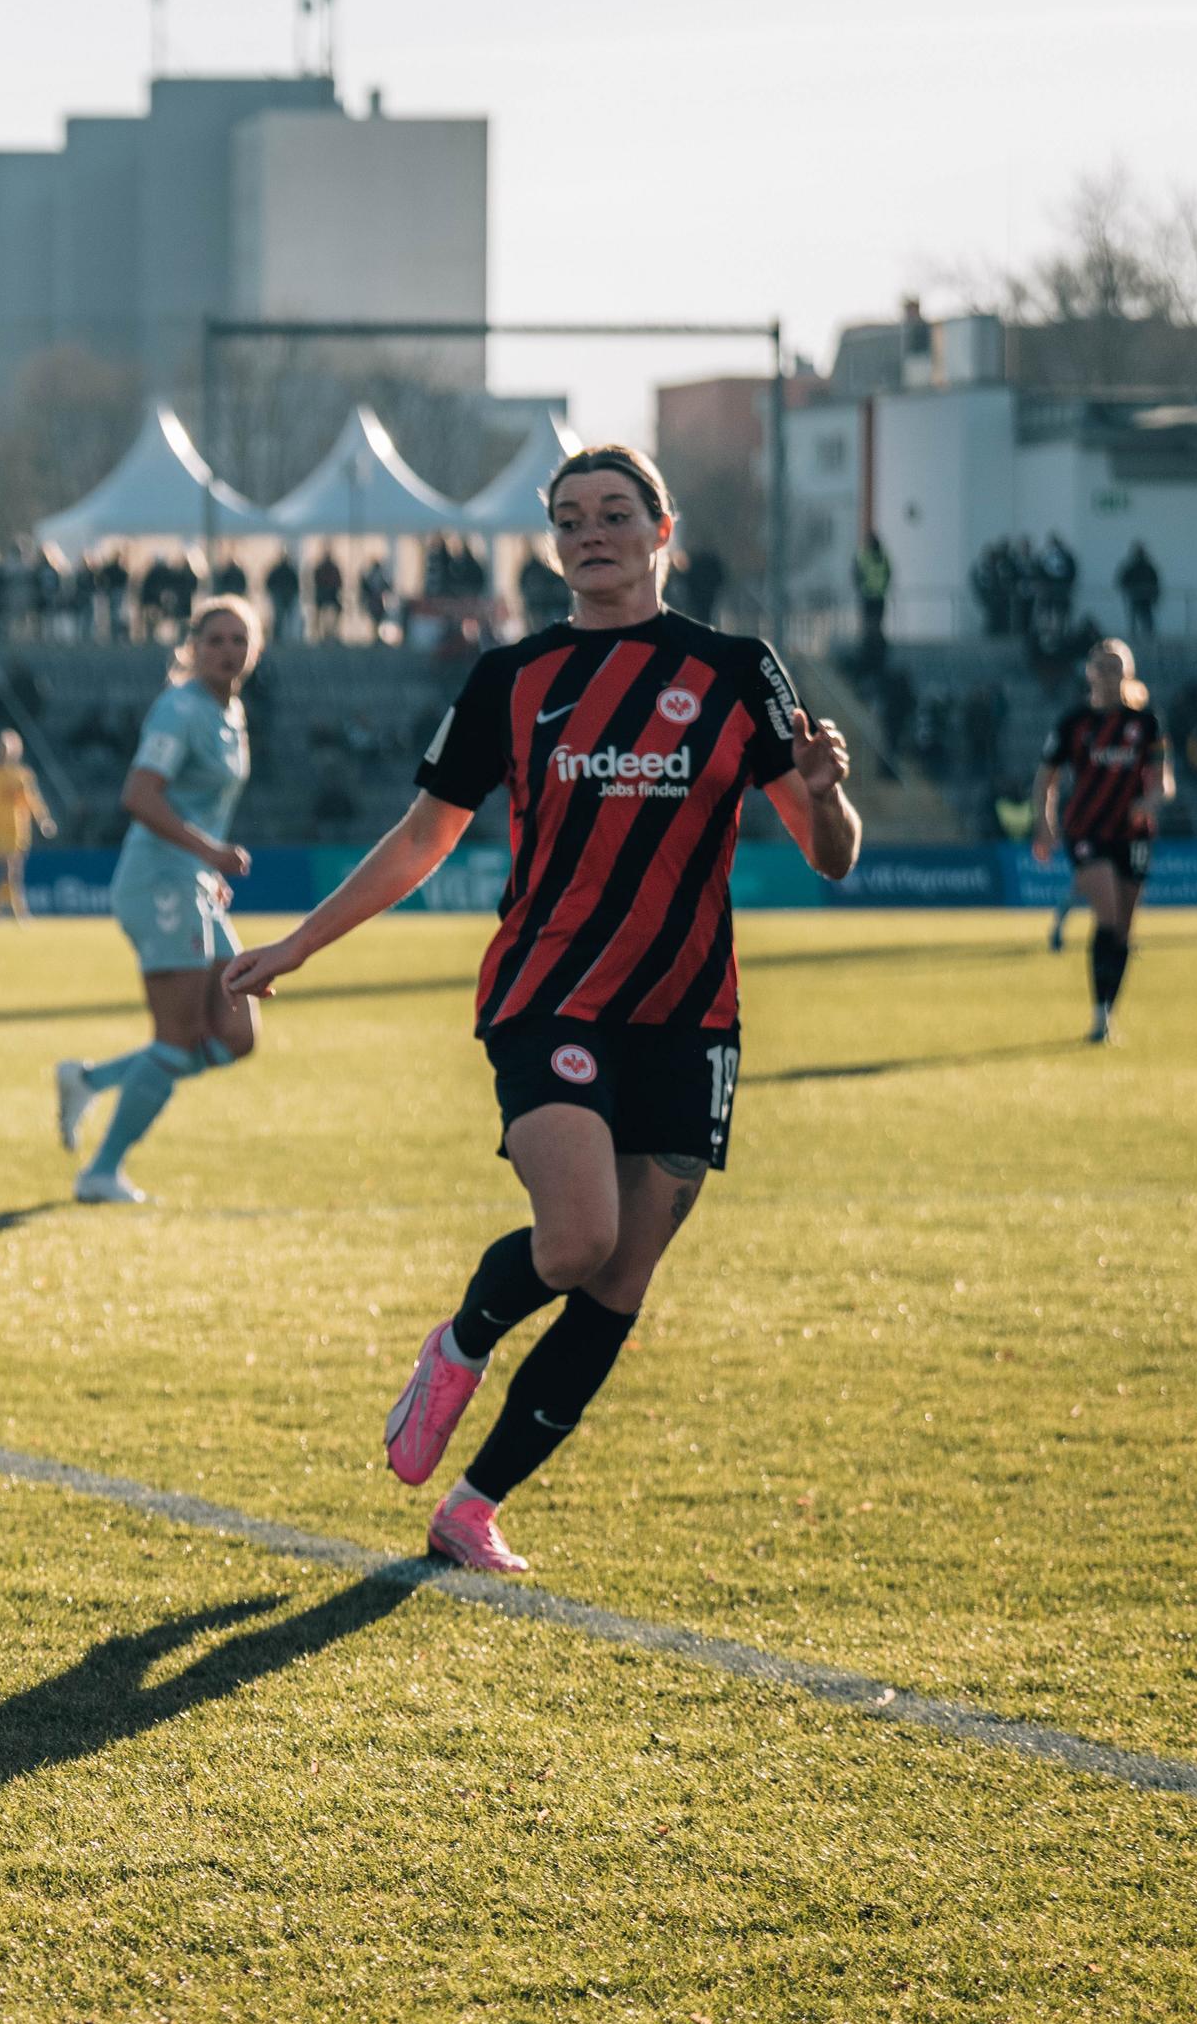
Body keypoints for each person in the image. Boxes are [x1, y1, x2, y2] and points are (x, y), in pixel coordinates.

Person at [221, 445, 859, 1575]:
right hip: (549, 993)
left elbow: (829, 856)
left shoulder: (732, 669)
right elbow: (423, 838)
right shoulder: (513, 679)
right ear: (552, 541)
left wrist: (826, 793)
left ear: (664, 530)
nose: (592, 533)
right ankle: (462, 1340)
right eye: (570, 518)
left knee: (619, 1282)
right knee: (577, 1239)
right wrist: (299, 943)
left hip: (691, 1015)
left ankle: (472, 1506)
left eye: (617, 513)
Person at [54, 596, 262, 1201]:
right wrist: (209, 852)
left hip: (192, 881)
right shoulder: (178, 710)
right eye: (216, 640)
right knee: (179, 1037)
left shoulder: (232, 711)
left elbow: (203, 804)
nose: (227, 650)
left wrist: (207, 862)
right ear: (193, 648)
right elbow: (140, 796)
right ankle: (100, 1173)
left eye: (238, 640)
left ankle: (90, 1080)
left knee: (235, 1034)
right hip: (159, 883)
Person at [1031, 637, 1170, 1043]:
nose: (1109, 675)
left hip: (1134, 835)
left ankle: (1108, 1012)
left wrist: (1152, 799)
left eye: (1117, 668)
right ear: (1090, 672)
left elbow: (1164, 781)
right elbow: (1047, 776)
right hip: (1087, 831)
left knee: (1124, 930)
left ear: (1128, 673)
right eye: (1102, 667)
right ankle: (1097, 1017)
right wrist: (1044, 821)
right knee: (1107, 917)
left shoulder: (1147, 723)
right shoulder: (1074, 722)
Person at [0, 726, 57, 923]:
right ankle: (16, 911)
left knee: (13, 871)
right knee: (8, 870)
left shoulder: (22, 775)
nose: (3, 752)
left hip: (18, 830)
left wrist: (43, 820)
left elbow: (33, 801)